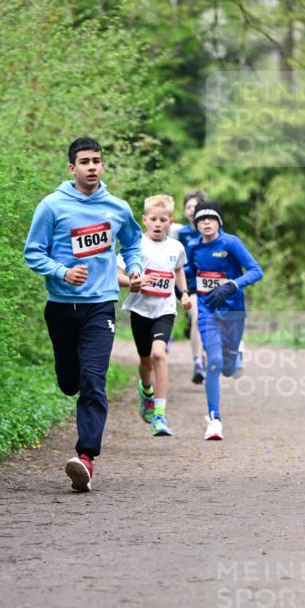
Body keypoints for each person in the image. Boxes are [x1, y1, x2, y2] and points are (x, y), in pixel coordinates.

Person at [24, 137, 143, 492]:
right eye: (84, 161)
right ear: (72, 168)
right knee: (70, 381)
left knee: (93, 380)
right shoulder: (52, 206)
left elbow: (132, 242)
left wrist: (134, 267)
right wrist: (62, 272)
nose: (92, 167)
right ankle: (68, 376)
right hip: (61, 307)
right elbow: (33, 253)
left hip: (100, 306)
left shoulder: (117, 208)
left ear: (103, 166)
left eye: (96, 161)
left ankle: (86, 457)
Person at [188, 200, 263, 440]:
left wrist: (231, 285)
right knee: (214, 362)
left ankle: (238, 353)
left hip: (233, 313)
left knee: (229, 369)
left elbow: (256, 271)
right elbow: (189, 274)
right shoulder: (193, 246)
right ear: (196, 224)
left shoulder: (231, 243)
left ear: (219, 221)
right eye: (201, 219)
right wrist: (179, 287)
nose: (206, 223)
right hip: (207, 311)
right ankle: (214, 419)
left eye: (211, 218)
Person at [118, 194, 191, 437]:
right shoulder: (135, 245)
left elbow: (178, 271)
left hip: (165, 309)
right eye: (153, 219)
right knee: (145, 361)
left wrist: (184, 293)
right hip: (140, 309)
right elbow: (117, 272)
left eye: (163, 220)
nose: (158, 224)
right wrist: (131, 282)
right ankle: (146, 390)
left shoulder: (176, 247)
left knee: (159, 353)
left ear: (170, 221)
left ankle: (160, 415)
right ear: (144, 220)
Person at [169, 189, 208, 384]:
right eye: (188, 207)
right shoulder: (180, 232)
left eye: (196, 206)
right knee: (196, 316)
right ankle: (198, 363)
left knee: (201, 320)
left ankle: (204, 357)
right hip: (186, 285)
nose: (192, 210)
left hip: (209, 285)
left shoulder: (211, 231)